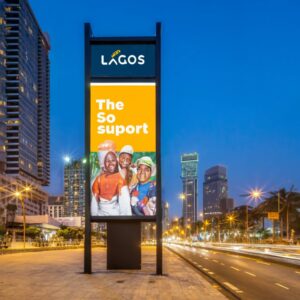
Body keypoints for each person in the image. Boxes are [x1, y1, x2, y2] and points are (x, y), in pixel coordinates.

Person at [91, 140, 131, 216]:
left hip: (117, 216)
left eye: (113, 160)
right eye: (107, 161)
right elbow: (94, 205)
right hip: (101, 217)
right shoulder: (97, 180)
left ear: (116, 161)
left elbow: (125, 209)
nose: (110, 164)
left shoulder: (120, 179)